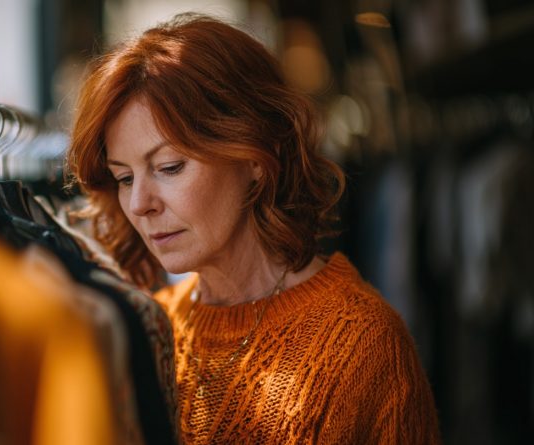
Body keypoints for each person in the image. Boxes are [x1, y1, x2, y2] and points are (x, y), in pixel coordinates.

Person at [67, 13, 440, 444]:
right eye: (125, 177)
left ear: (255, 159)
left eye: (168, 167)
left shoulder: (364, 347)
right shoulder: (153, 326)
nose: (139, 204)